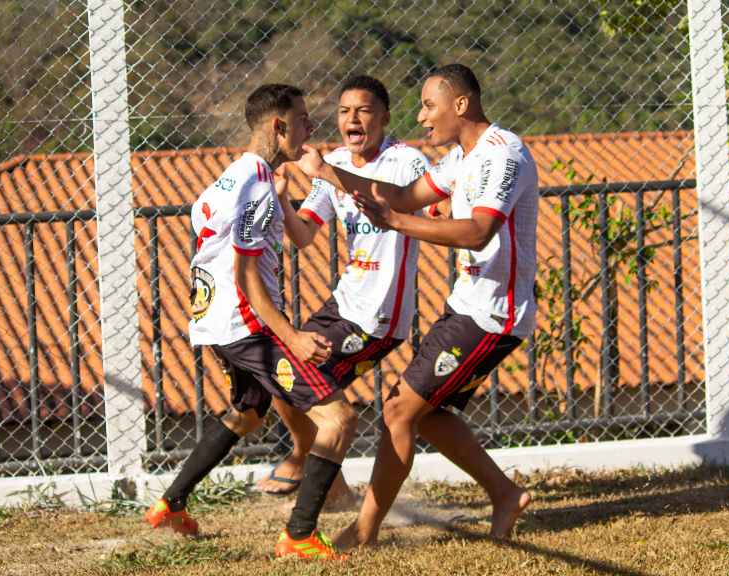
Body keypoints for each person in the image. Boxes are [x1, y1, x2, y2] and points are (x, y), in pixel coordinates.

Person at [297, 64, 536, 550]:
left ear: (461, 105)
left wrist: (396, 223)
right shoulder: (458, 158)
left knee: (400, 412)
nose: (423, 117)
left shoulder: (502, 152)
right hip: (466, 305)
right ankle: (505, 493)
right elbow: (400, 196)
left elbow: (476, 230)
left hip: (493, 314)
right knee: (424, 414)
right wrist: (327, 172)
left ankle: (364, 531)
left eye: (430, 105)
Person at [143, 83, 355, 561]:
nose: (311, 128)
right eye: (303, 119)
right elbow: (245, 274)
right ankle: (300, 535)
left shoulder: (232, 178)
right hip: (247, 327)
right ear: (278, 126)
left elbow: (207, 234)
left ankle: (170, 503)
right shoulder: (256, 186)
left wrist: (274, 203)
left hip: (214, 323)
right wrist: (293, 337)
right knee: (339, 418)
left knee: (250, 411)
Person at [256, 75, 433, 507]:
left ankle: (306, 464)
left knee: (298, 374)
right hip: (345, 302)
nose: (352, 119)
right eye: (343, 111)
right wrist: (282, 201)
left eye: (364, 111)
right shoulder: (333, 161)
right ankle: (334, 490)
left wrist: (328, 173)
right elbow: (303, 236)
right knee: (274, 364)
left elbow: (412, 207)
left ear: (385, 118)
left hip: (378, 315)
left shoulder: (406, 162)